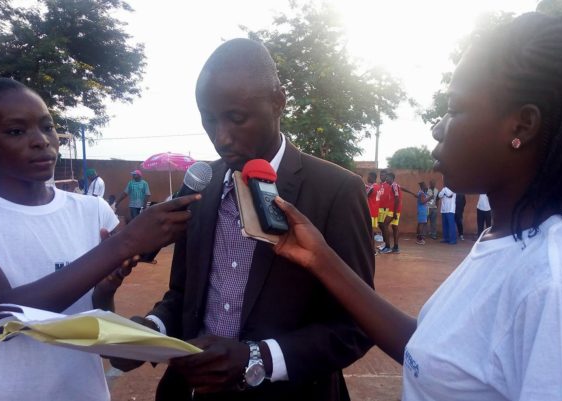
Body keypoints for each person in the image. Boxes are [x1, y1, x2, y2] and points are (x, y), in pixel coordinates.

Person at [271, 13, 562, 400]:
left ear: (522, 126)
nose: (438, 127)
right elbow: (430, 357)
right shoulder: (506, 239)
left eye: (455, 109)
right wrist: (321, 258)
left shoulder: (555, 286)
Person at [111, 38, 374, 401]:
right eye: (209, 119)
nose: (221, 138)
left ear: (278, 101)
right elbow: (184, 295)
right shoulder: (201, 186)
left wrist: (257, 358)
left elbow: (355, 326)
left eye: (236, 118)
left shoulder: (336, 191)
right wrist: (152, 328)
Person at [0, 78, 197, 401]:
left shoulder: (92, 211)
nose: (41, 141)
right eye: (16, 131)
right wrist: (124, 242)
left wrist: (104, 292)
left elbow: (94, 328)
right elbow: (1, 319)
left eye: (47, 127)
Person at [377, 169, 395, 253]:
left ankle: (387, 246)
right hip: (379, 208)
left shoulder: (389, 184)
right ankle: (385, 243)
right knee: (380, 225)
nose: (381, 176)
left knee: (384, 226)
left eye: (383, 175)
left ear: (387, 176)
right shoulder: (380, 184)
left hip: (386, 209)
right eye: (380, 175)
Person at [385, 172, 403, 254]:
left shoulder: (394, 185)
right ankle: (396, 247)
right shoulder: (395, 185)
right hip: (396, 210)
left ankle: (387, 246)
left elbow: (397, 198)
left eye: (387, 177)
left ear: (391, 178)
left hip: (393, 210)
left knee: (384, 225)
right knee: (395, 227)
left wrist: (394, 212)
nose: (386, 179)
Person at [365, 171, 382, 253]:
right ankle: (372, 249)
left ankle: (372, 250)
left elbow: (364, 195)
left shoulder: (371, 187)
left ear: (372, 177)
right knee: (371, 231)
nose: (367, 178)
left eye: (368, 177)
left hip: (370, 211)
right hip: (375, 212)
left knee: (369, 232)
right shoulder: (378, 186)